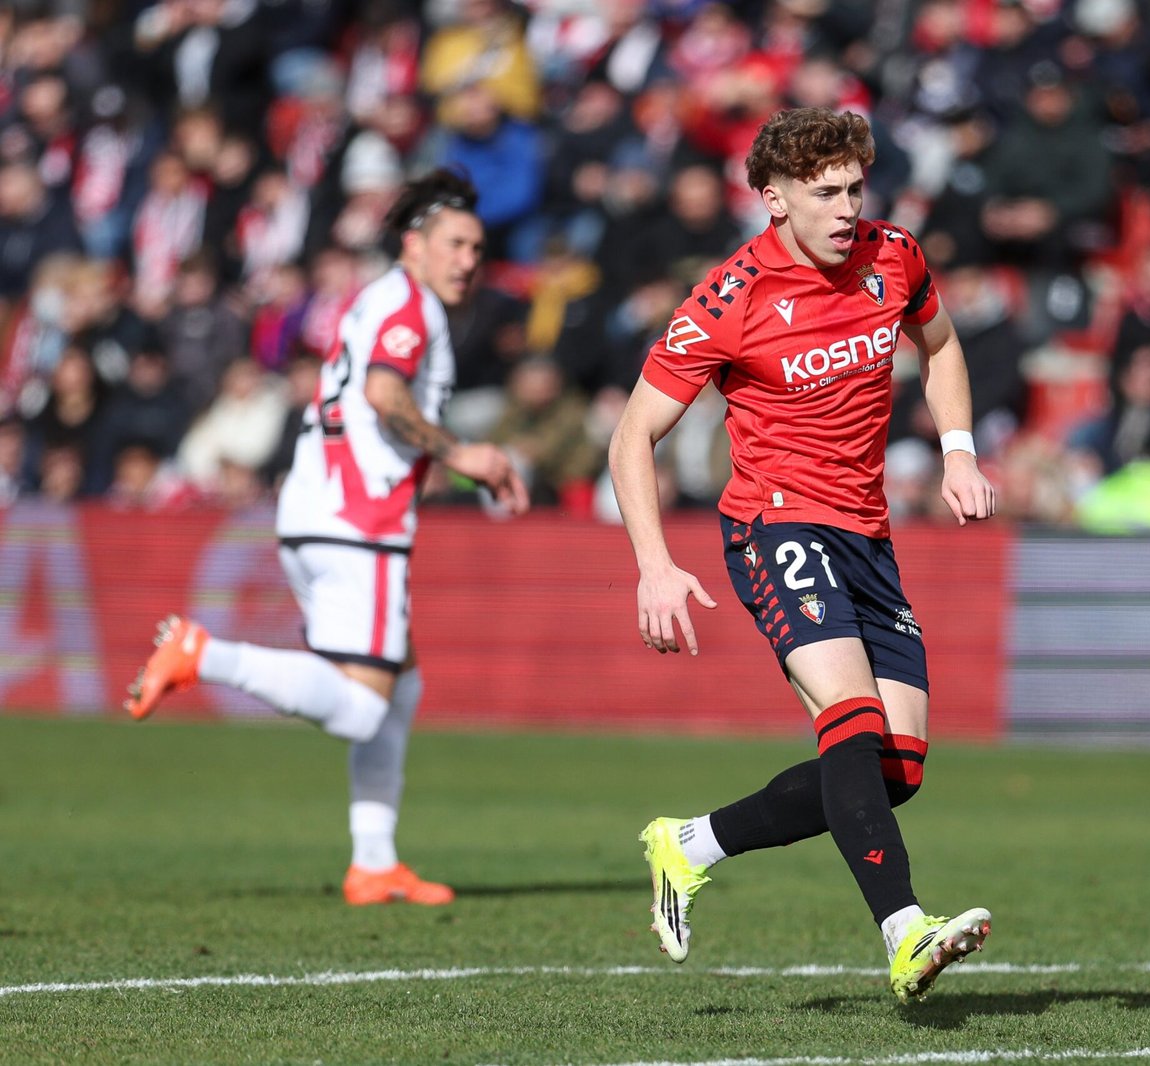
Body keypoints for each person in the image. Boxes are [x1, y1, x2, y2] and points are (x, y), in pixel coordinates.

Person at [607, 108, 995, 1004]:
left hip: (867, 534)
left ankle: (689, 844)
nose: (848, 208)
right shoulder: (730, 296)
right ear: (774, 199)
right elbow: (633, 436)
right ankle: (905, 934)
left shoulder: (894, 256)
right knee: (851, 717)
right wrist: (654, 565)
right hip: (775, 529)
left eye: (856, 187)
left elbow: (939, 346)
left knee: (894, 770)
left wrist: (960, 449)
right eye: (826, 193)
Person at [122, 169, 530, 905]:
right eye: (455, 244)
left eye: (477, 246)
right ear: (415, 244)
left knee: (400, 684)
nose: (469, 259)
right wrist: (461, 452)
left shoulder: (381, 296)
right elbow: (383, 392)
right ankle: (204, 653)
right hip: (358, 520)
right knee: (363, 706)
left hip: (322, 508)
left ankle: (374, 861)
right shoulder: (411, 305)